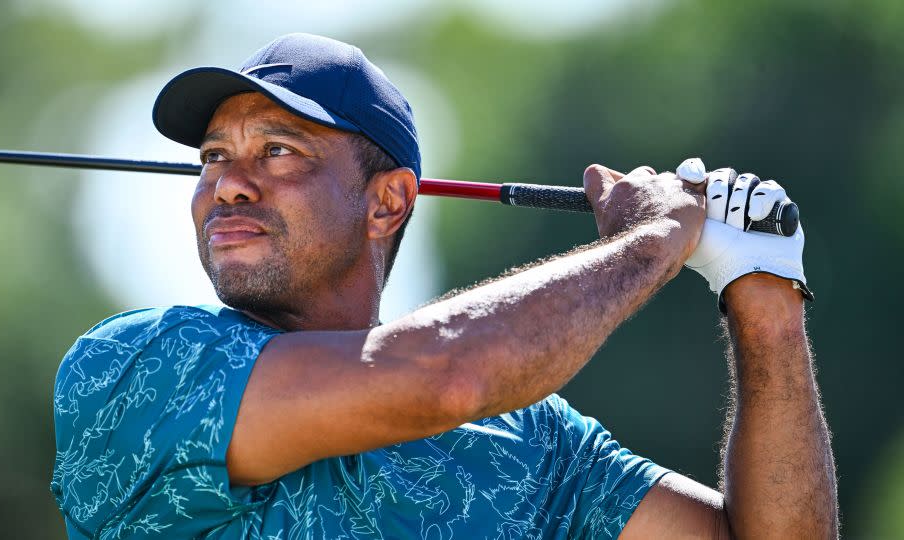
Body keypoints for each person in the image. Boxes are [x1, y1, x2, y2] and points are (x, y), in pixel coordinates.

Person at [51, 33, 838, 539]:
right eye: (215, 158)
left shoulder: (532, 441)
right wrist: (656, 239)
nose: (228, 185)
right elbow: (447, 375)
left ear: (387, 201)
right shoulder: (136, 368)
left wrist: (763, 301)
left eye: (279, 152)